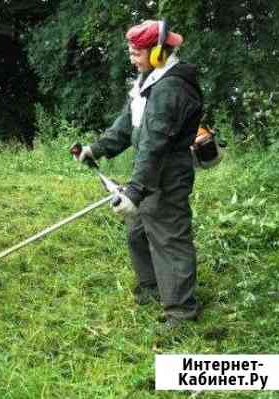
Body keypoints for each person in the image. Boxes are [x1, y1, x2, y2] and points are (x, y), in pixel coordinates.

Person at [75, 19, 203, 332]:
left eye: (136, 53)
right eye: (130, 52)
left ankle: (182, 315)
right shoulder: (149, 80)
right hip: (150, 170)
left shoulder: (171, 89)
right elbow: (128, 123)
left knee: (169, 239)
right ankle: (152, 289)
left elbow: (155, 145)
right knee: (138, 233)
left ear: (159, 52)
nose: (131, 58)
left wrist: (135, 191)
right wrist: (97, 148)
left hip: (167, 173)